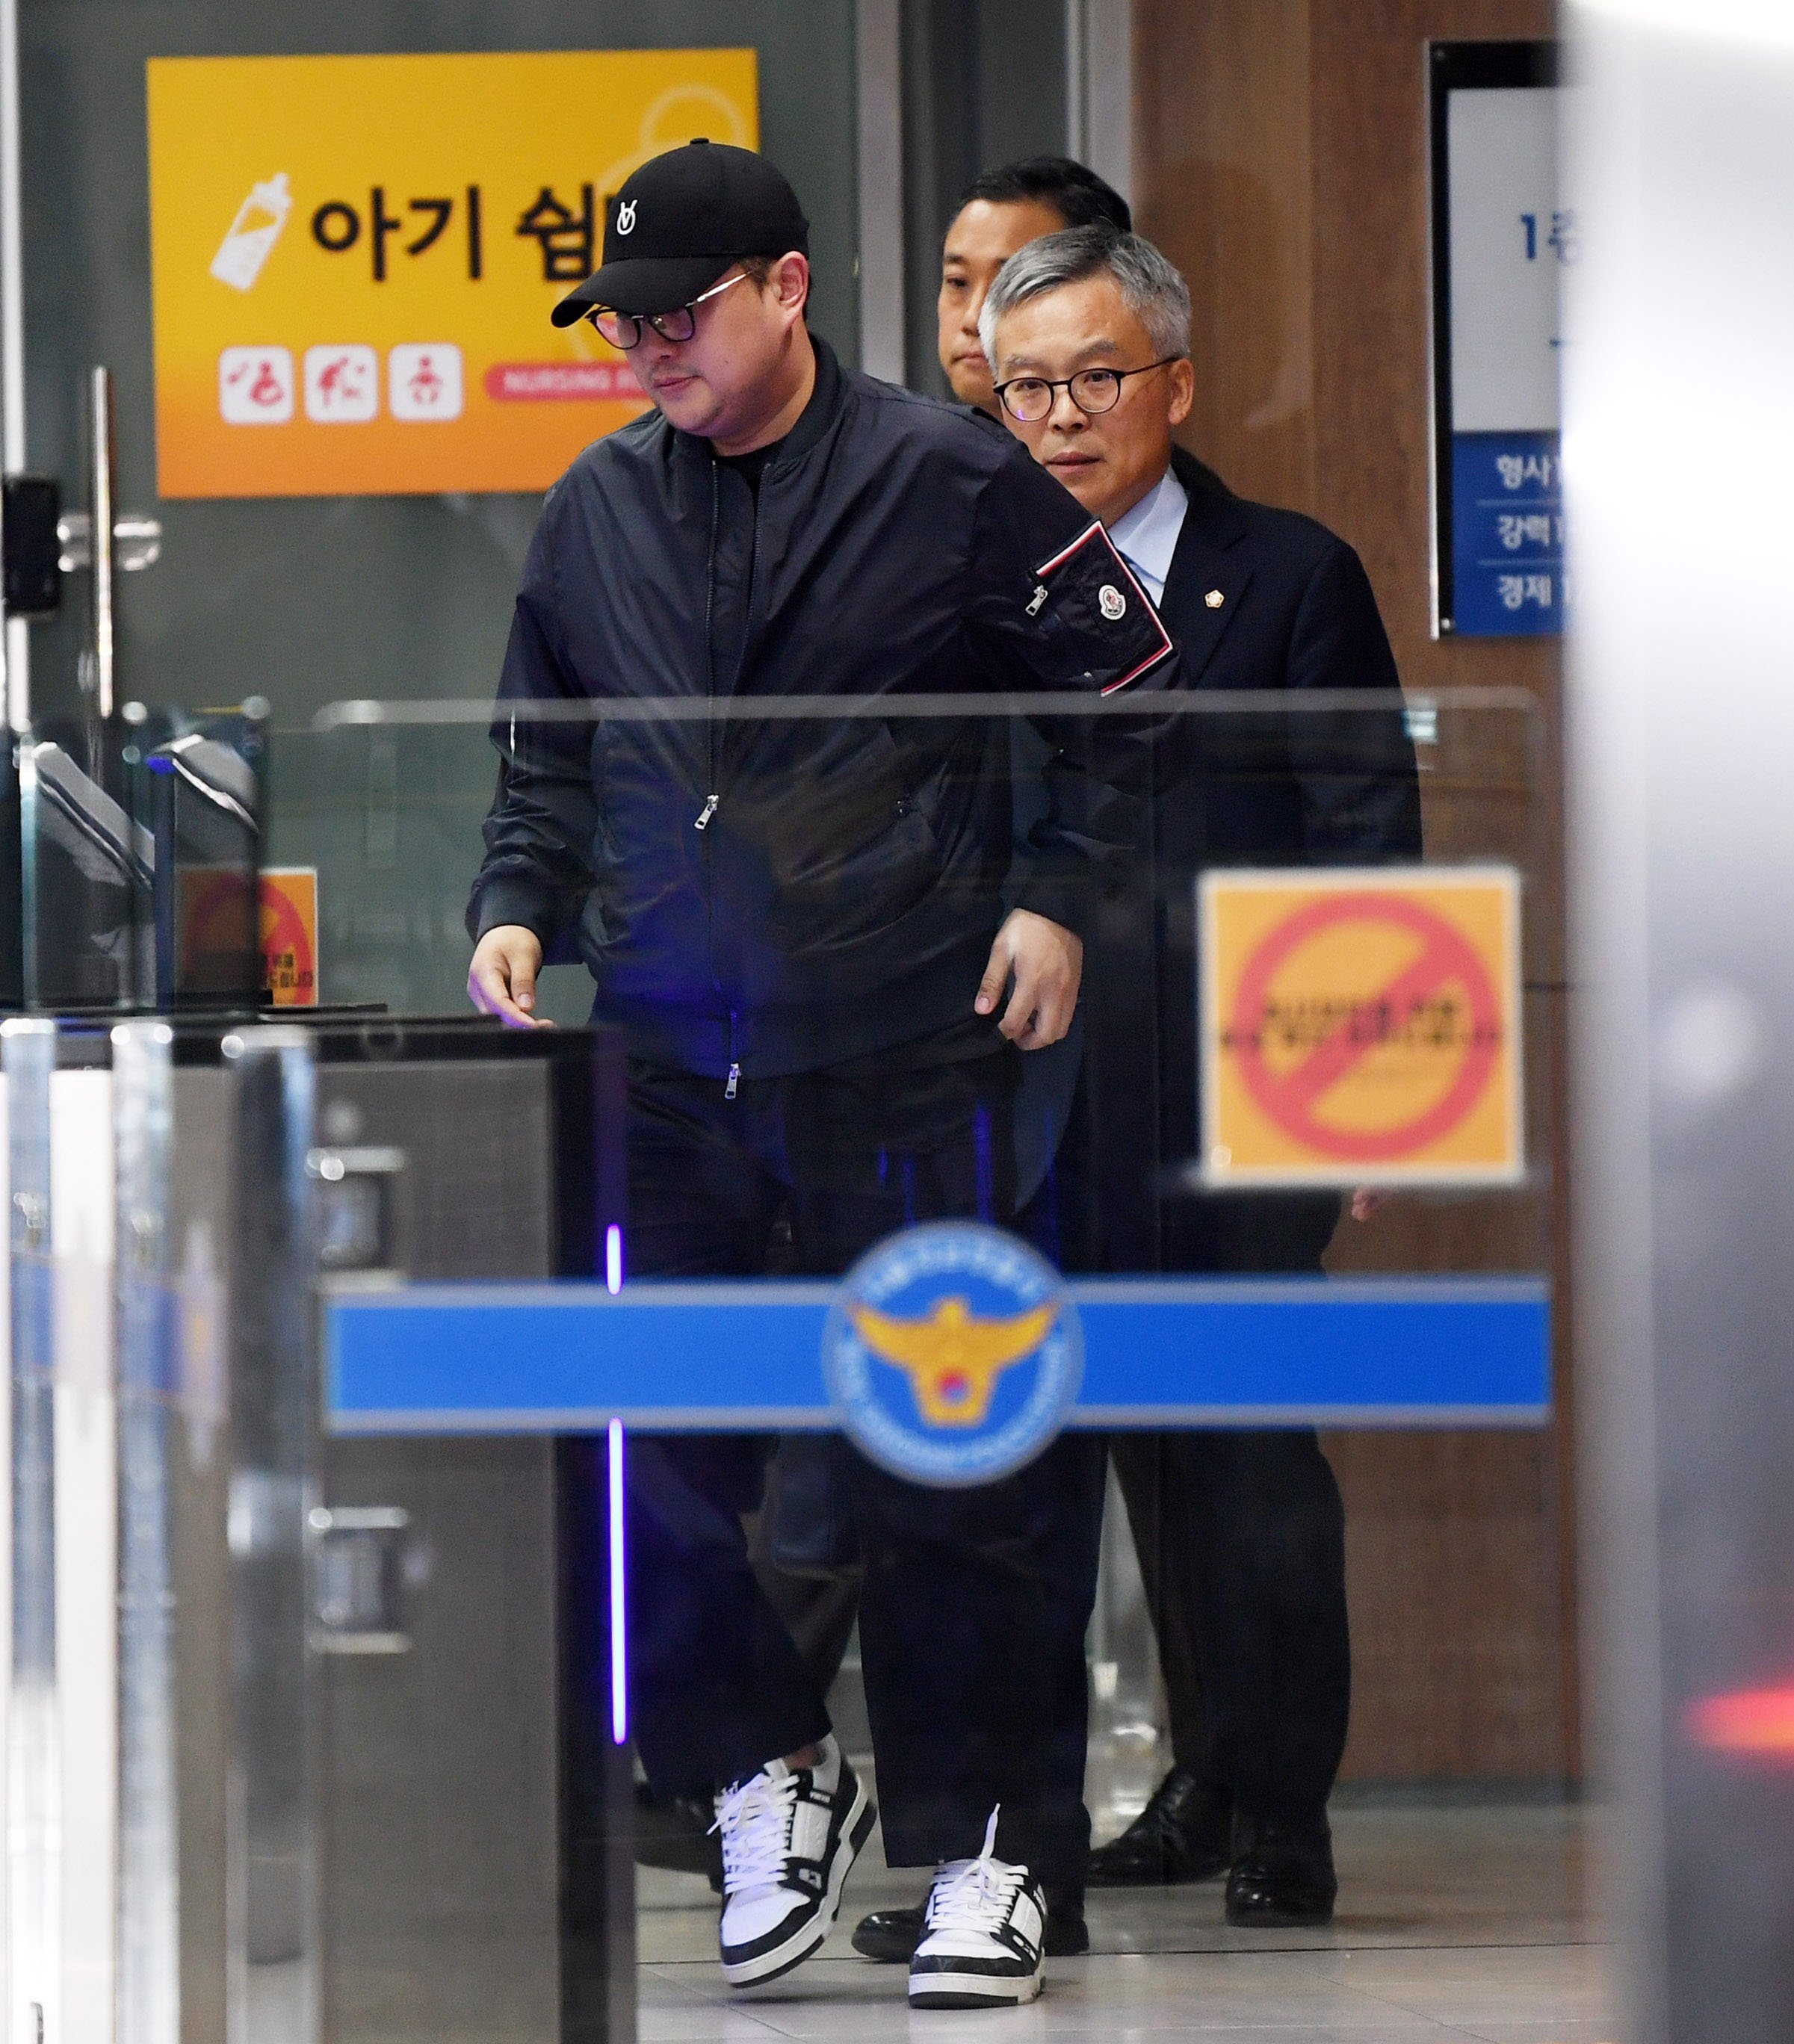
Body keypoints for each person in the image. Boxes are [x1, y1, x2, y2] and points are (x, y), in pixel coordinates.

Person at [465, 140, 1172, 2010]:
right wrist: (516, 904)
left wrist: (1055, 900)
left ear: (785, 288)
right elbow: (543, 758)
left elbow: (1125, 705)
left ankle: (991, 1850)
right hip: (672, 1058)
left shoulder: (951, 481)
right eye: (615, 321)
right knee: (642, 1454)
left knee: (942, 1463)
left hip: (898, 1046)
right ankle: (757, 1763)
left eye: (675, 315)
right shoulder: (591, 510)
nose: (643, 352)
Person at [980, 223, 1422, 1925]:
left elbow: (1363, 842)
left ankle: (1281, 1806)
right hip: (1033, 1092)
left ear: (1174, 380)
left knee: (1245, 1462)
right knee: (1091, 1466)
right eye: (1027, 388)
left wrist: (1368, 1092)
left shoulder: (1291, 573)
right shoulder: (977, 587)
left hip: (1240, 1091)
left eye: (1096, 379)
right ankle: (1168, 1785)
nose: (1061, 418)